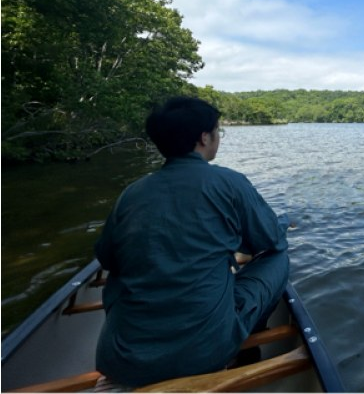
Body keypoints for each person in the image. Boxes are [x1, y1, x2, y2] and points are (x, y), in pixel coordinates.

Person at [94, 96, 290, 387]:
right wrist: (275, 230)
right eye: (217, 132)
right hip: (204, 351)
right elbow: (270, 240)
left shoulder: (131, 194)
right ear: (204, 138)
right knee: (279, 258)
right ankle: (249, 336)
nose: (217, 138)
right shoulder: (229, 183)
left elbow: (107, 259)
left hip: (121, 358)